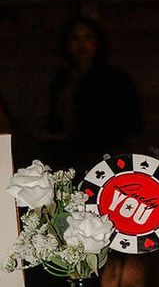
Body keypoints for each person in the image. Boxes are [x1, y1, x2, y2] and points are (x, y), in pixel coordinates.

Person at [45, 15, 140, 173]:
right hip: (66, 156)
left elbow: (128, 123)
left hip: (104, 157)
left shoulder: (114, 80)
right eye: (75, 39)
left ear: (97, 43)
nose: (81, 45)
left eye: (87, 38)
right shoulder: (61, 79)